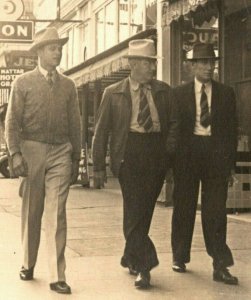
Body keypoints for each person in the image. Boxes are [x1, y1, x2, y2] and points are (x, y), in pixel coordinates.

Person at [92, 39, 179, 288]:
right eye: (147, 63)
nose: (152, 68)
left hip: (156, 153)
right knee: (134, 208)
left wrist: (168, 154)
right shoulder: (113, 92)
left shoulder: (164, 90)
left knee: (144, 211)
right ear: (133, 64)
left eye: (153, 63)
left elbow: (174, 124)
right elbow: (101, 131)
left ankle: (130, 255)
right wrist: (97, 167)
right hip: (127, 153)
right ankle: (144, 266)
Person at [5, 27, 81, 294]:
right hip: (32, 150)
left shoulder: (69, 86)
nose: (57, 51)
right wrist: (14, 153)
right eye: (52, 48)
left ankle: (57, 275)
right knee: (32, 211)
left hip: (61, 151)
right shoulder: (22, 83)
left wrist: (76, 157)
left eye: (59, 47)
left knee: (56, 212)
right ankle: (28, 262)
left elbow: (76, 124)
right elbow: (12, 121)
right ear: (39, 52)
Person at [171, 43, 238, 285]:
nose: (209, 67)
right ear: (192, 66)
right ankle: (179, 255)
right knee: (184, 206)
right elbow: (174, 131)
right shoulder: (178, 94)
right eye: (203, 62)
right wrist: (172, 163)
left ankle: (220, 264)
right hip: (187, 157)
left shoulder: (226, 93)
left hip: (215, 157)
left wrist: (229, 164)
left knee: (216, 211)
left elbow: (232, 131)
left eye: (212, 62)